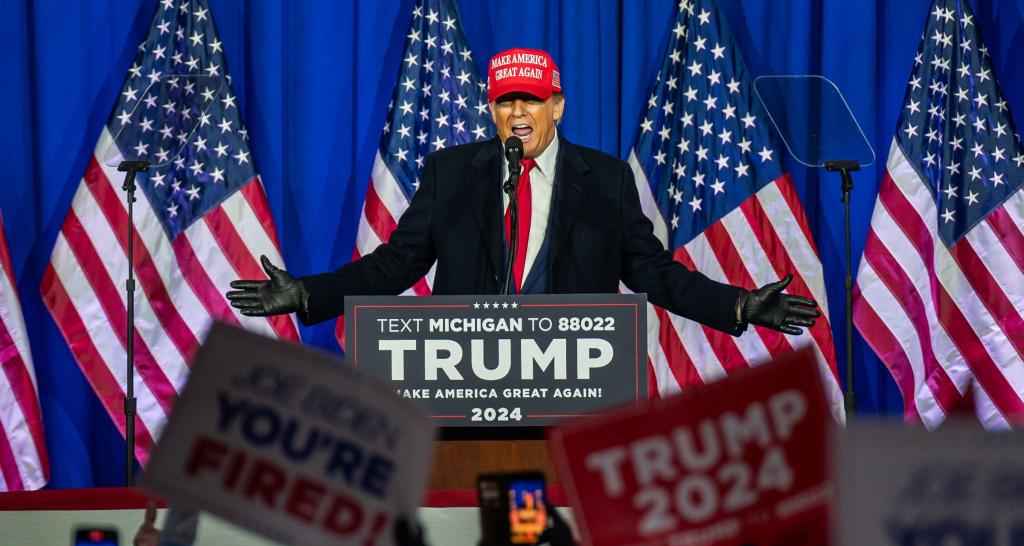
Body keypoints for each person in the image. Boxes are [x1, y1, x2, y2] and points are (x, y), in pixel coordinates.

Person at [226, 48, 820, 337]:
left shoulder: (606, 180)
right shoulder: (451, 172)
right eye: (505, 100)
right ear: (490, 107)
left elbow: (653, 273)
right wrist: (308, 294)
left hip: (575, 391)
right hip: (464, 391)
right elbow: (393, 266)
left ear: (556, 107)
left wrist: (738, 306)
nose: (517, 112)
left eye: (530, 100)